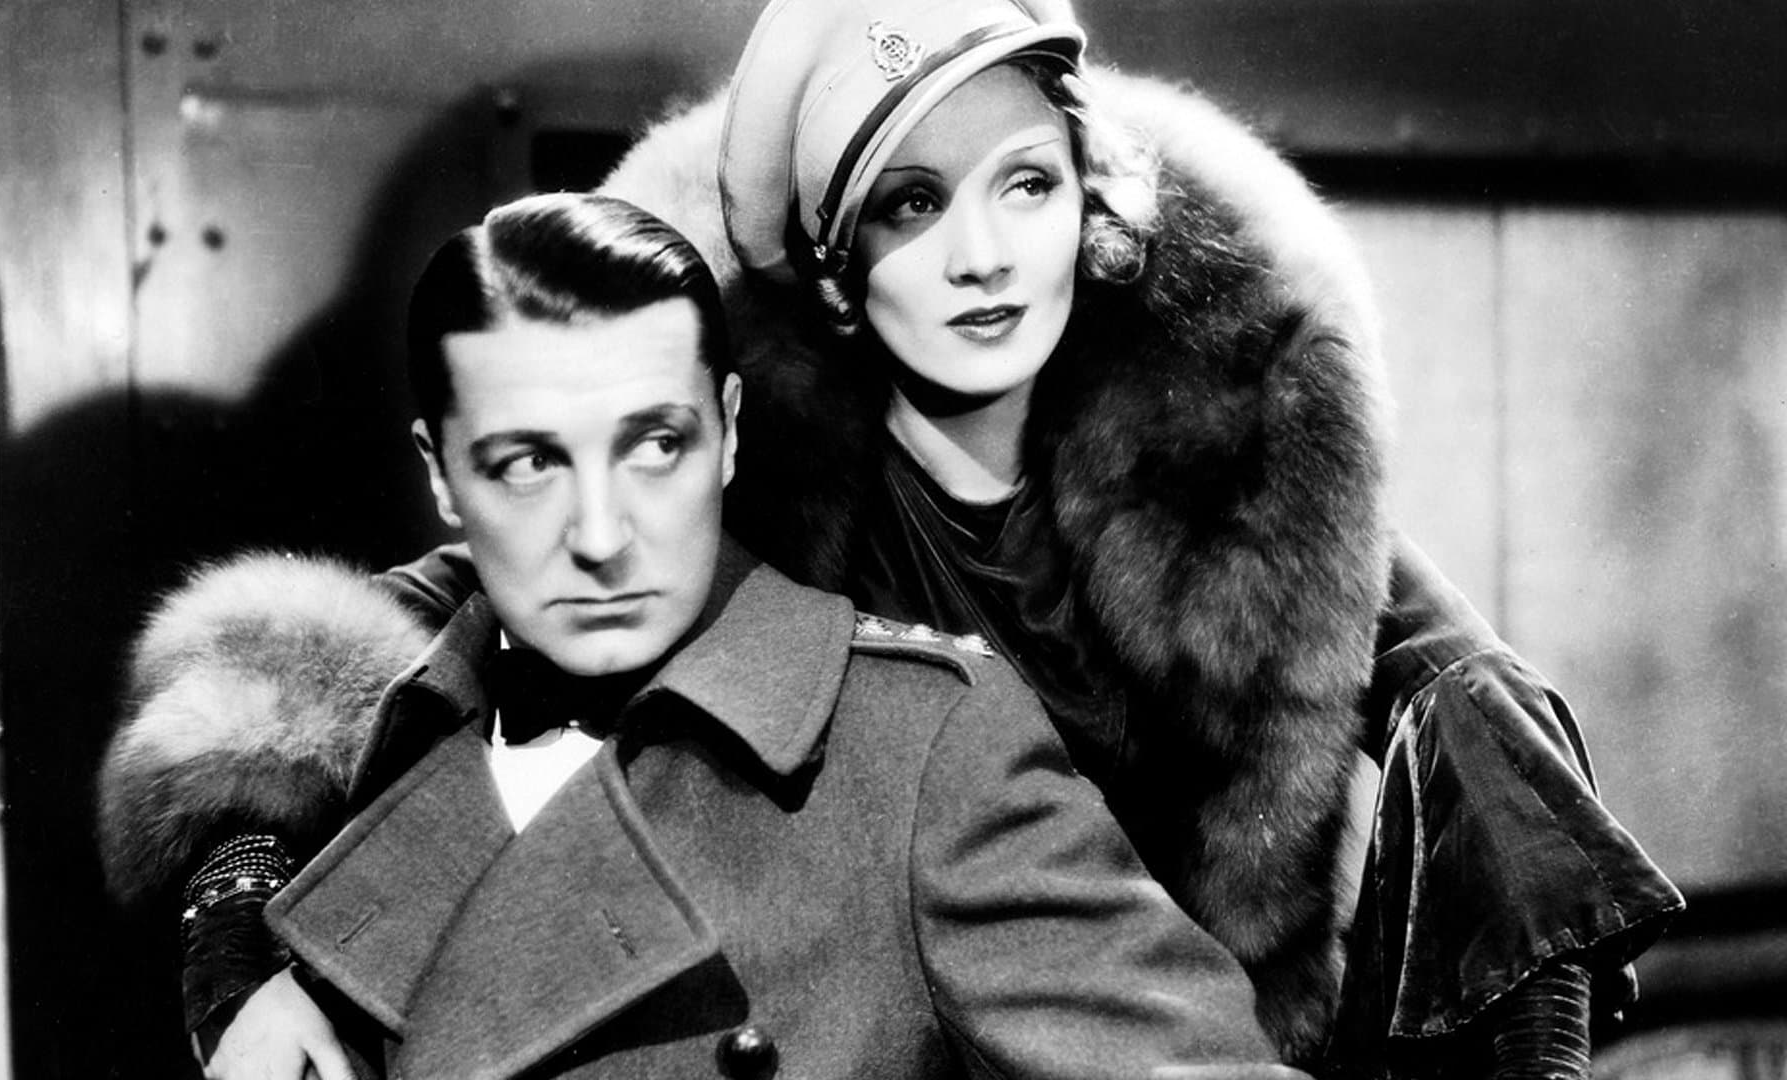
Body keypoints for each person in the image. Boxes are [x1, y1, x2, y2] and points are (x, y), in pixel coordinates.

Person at [102, 0, 1683, 1075]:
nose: (986, 257)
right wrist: (237, 916)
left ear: (1090, 204)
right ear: (838, 268)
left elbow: (1483, 727)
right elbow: (364, 652)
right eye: (914, 208)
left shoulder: (1234, 458)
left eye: (1025, 187)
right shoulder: (746, 464)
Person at [98, 191, 1309, 1079]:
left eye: (655, 445)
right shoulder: (376, 739)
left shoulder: (917, 753)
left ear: (728, 432)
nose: (602, 536)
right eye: (526, 465)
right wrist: (236, 917)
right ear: (441, 477)